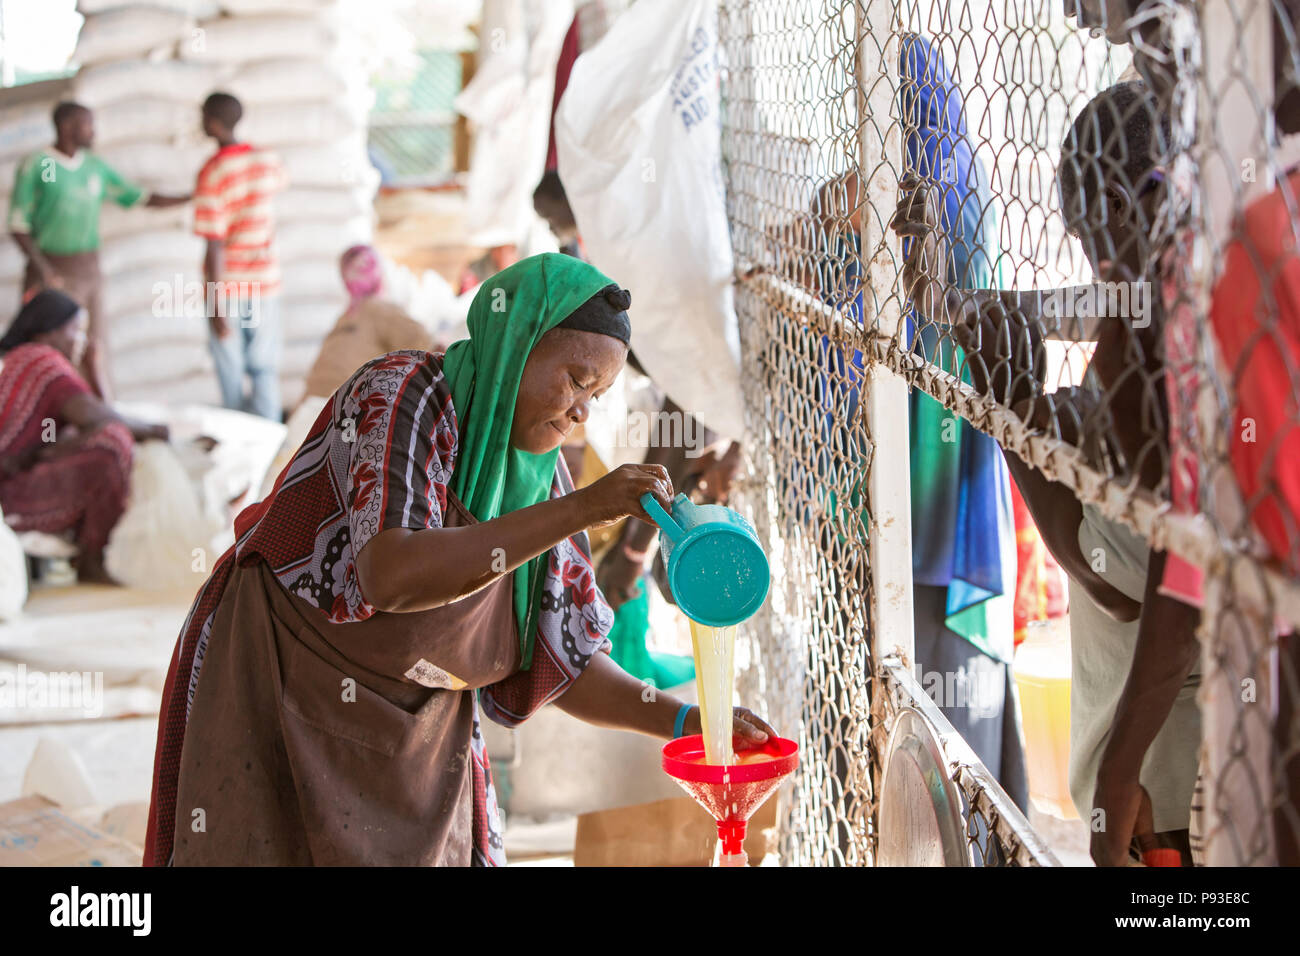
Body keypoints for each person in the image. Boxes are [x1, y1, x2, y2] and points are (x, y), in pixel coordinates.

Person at [143, 253, 776, 866]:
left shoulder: (542, 483)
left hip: (415, 738)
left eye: (599, 395)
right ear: (516, 344)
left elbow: (566, 658)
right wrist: (583, 510)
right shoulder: (405, 398)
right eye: (577, 381)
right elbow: (389, 572)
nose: (583, 410)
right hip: (283, 682)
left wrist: (691, 721)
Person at [893, 80, 1201, 865]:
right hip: (1135, 740)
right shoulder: (1143, 301)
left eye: (1099, 235)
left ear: (1140, 204)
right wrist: (929, 269)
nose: (1096, 264)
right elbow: (986, 309)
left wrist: (1018, 415)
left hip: (1166, 764)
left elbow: (1123, 583)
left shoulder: (1181, 330)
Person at [7, 102, 190, 399]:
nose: (94, 132)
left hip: (88, 268)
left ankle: (98, 415)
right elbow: (18, 225)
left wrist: (190, 197)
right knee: (56, 347)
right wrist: (45, 271)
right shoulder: (40, 165)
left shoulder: (95, 167)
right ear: (67, 127)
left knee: (93, 344)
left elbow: (137, 196)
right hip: (52, 269)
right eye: (87, 125)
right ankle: (56, 422)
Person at [0, 291, 169, 584]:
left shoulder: (20, 359)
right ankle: (91, 558)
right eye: (75, 330)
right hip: (12, 492)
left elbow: (91, 416)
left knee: (105, 438)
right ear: (48, 330)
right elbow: (95, 417)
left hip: (13, 484)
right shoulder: (44, 361)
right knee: (112, 444)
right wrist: (155, 430)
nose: (81, 340)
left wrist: (94, 369)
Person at [193, 92, 288, 421]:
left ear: (214, 124)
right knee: (264, 369)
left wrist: (216, 304)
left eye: (203, 117)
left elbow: (214, 245)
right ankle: (272, 449)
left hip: (229, 288)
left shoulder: (213, 172)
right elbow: (277, 186)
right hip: (265, 284)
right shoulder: (267, 160)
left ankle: (239, 445)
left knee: (231, 375)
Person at [300, 244, 434, 403]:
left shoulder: (345, 318)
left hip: (309, 413)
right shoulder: (381, 310)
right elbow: (425, 347)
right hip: (344, 412)